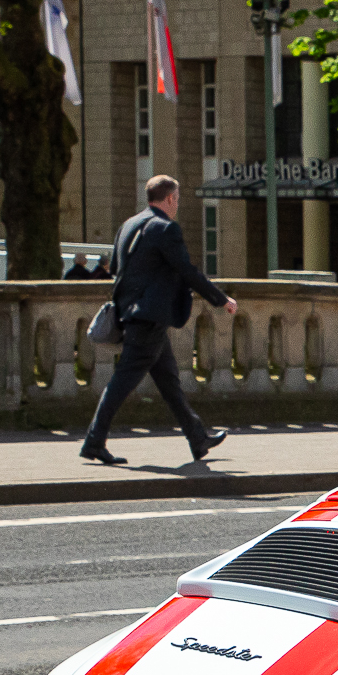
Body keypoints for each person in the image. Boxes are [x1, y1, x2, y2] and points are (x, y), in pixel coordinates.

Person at [80, 175, 235, 466]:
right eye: (177, 199)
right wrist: (221, 299)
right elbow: (187, 271)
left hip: (135, 314)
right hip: (149, 318)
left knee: (169, 382)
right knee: (122, 381)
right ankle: (93, 442)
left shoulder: (128, 225)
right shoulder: (166, 229)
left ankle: (197, 438)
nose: (178, 204)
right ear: (171, 199)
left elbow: (115, 267)